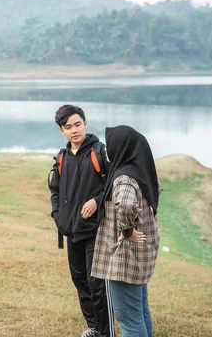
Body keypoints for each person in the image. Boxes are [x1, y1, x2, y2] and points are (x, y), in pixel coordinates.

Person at [48, 105, 113, 337]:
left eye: (77, 124)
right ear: (61, 130)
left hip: (95, 230)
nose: (74, 130)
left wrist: (97, 200)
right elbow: (54, 189)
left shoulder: (99, 152)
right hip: (71, 230)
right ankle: (94, 327)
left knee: (97, 284)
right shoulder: (63, 156)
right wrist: (58, 215)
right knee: (80, 281)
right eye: (68, 127)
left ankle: (107, 332)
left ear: (85, 123)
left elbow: (114, 184)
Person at [91, 125, 160, 337]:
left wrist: (127, 230)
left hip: (125, 258)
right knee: (139, 310)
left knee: (128, 316)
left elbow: (127, 205)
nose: (105, 151)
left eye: (109, 146)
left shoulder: (123, 178)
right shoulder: (142, 171)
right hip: (140, 255)